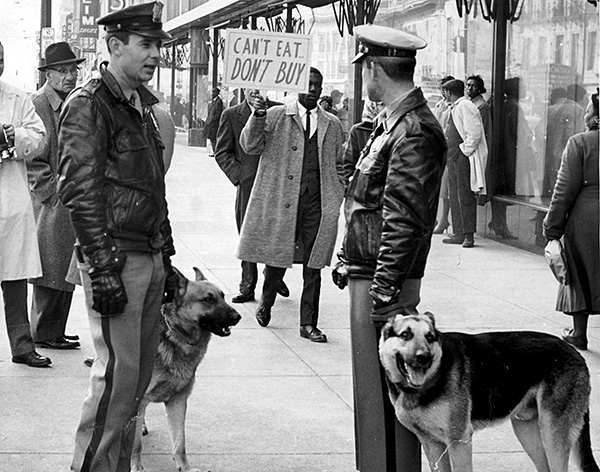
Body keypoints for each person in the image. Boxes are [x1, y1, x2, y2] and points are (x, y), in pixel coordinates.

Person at [57, 3, 177, 470]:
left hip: (146, 257)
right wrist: (102, 268)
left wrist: (164, 252)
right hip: (117, 260)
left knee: (138, 382)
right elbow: (79, 193)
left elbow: (152, 187)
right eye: (145, 46)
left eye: (157, 47)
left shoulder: (139, 106)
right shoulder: (89, 104)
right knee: (117, 382)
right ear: (114, 46)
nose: (155, 56)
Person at [336, 24, 446, 471]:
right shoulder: (394, 124)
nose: (363, 76)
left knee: (391, 401)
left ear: (376, 71)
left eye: (365, 68)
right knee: (375, 396)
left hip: (385, 280)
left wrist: (384, 292)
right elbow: (370, 200)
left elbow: (404, 219)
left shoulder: (413, 130)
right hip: (374, 272)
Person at [239, 68, 345, 343]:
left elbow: (339, 162)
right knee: (278, 258)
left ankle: (308, 324)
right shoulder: (276, 115)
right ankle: (266, 302)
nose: (313, 89)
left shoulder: (332, 124)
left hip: (317, 203)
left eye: (317, 85)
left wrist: (338, 190)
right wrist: (257, 115)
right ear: (297, 86)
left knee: (315, 263)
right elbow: (250, 145)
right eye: (308, 84)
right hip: (283, 201)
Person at [27, 42, 84, 351]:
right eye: (63, 71)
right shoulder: (39, 104)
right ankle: (43, 332)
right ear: (48, 74)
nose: (70, 76)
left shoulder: (72, 101)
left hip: (70, 199)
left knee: (65, 268)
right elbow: (32, 159)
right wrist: (51, 194)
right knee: (50, 268)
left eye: (73, 70)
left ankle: (55, 331)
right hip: (52, 200)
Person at [0, 41, 49, 368]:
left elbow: (39, 137)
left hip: (9, 201)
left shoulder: (18, 99)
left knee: (14, 279)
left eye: (0, 59)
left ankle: (22, 346)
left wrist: (13, 136)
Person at [214, 90, 289, 303]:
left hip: (275, 183)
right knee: (248, 235)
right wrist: (239, 176)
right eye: (250, 87)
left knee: (276, 233)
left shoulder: (279, 111)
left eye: (259, 86)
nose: (255, 91)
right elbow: (222, 152)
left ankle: (273, 276)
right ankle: (247, 284)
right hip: (248, 185)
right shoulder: (231, 115)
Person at [543, 90, 599, 351]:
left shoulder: (580, 143)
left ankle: (579, 333)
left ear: (596, 116)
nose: (585, 113)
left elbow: (563, 190)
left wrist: (552, 228)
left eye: (589, 108)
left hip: (587, 219)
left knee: (578, 272)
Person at [440, 79, 487, 248]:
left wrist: (463, 151)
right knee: (454, 194)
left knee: (464, 195)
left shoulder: (465, 106)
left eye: (444, 91)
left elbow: (474, 133)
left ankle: (468, 235)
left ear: (449, 92)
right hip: (453, 156)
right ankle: (458, 232)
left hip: (462, 157)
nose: (443, 95)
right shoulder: (455, 107)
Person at [432, 75, 455, 234]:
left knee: (446, 188)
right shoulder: (440, 105)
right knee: (437, 187)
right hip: (437, 150)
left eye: (445, 90)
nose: (442, 93)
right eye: (441, 89)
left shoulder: (454, 106)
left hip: (448, 150)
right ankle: (437, 218)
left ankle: (444, 219)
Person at [341, 97, 383, 185]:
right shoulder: (358, 130)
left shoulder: (394, 128)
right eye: (381, 105)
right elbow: (349, 163)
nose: (385, 109)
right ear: (372, 106)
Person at [205, 87, 223, 154]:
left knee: (213, 138)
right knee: (211, 138)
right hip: (211, 123)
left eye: (213, 92)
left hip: (214, 124)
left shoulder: (218, 101)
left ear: (217, 93)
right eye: (212, 92)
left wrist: (212, 119)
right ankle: (214, 152)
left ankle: (216, 152)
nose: (212, 94)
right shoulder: (214, 101)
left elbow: (218, 113)